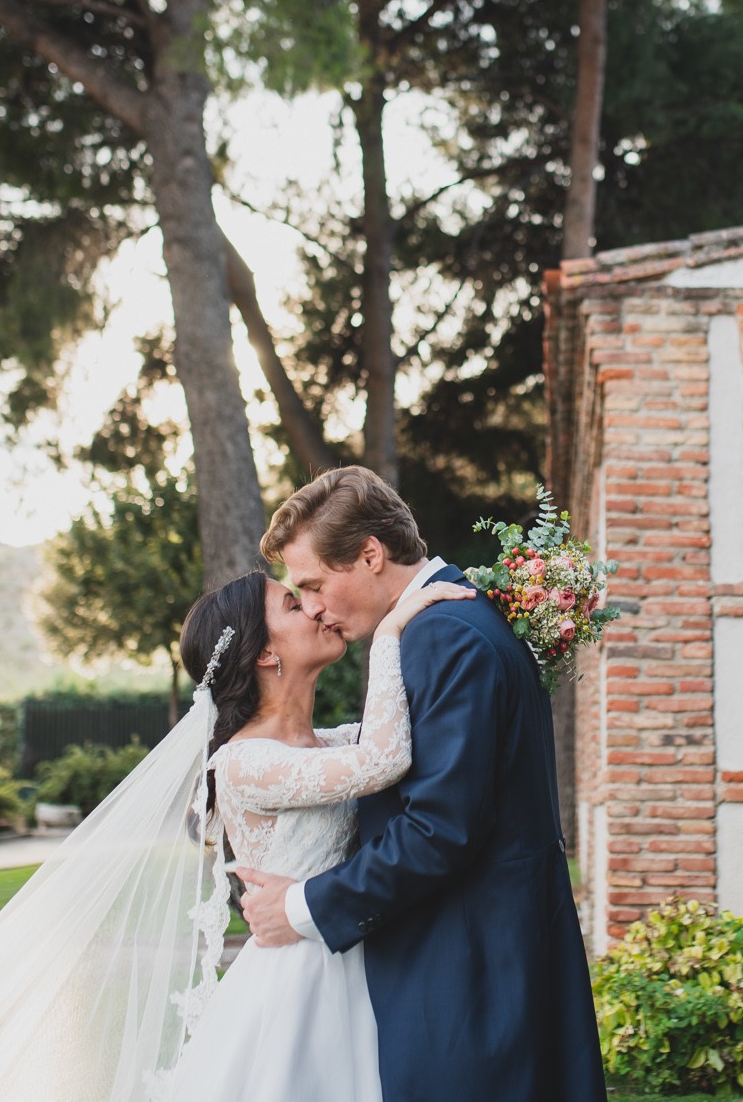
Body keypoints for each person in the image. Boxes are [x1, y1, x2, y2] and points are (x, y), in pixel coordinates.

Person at [234, 466, 607, 1102]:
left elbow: (438, 829)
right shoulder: (440, 626)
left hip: (468, 974)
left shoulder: (445, 637)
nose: (315, 607)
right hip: (475, 959)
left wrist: (301, 907)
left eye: (315, 585)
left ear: (370, 555)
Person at [161, 566, 471, 1100]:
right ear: (264, 654)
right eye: (291, 604)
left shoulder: (327, 747)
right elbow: (383, 758)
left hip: (359, 955)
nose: (315, 608)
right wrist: (388, 634)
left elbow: (402, 733)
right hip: (300, 985)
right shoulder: (243, 763)